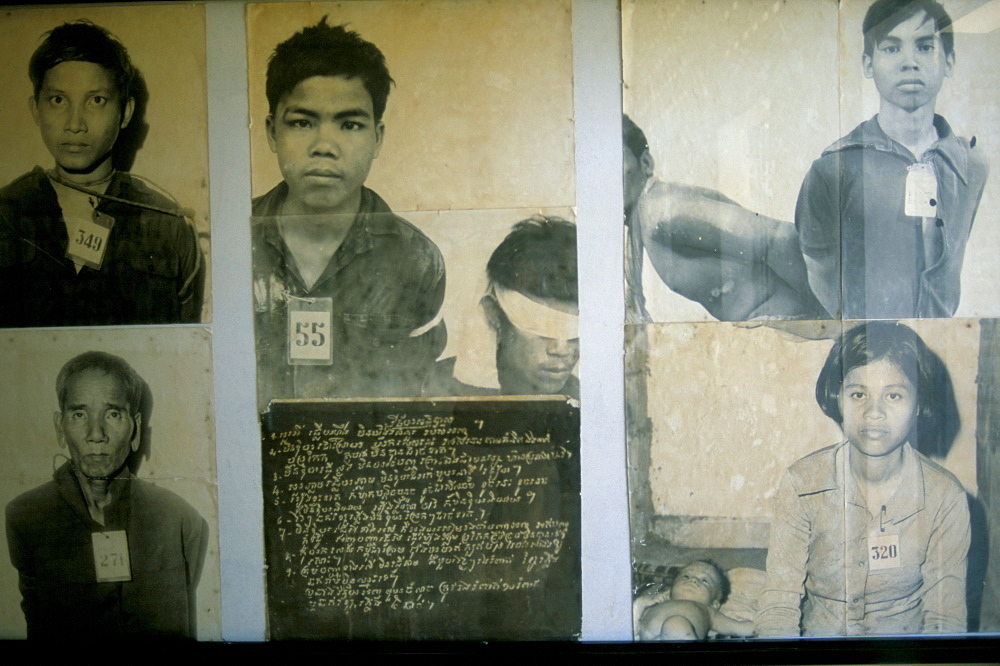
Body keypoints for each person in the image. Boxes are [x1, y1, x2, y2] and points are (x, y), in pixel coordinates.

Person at [252, 19, 446, 407]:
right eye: (302, 122)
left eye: (350, 124)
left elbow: (417, 402)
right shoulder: (227, 242)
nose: (325, 145)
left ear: (377, 137)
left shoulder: (416, 261)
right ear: (273, 132)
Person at [757, 321, 970, 636]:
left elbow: (945, 621)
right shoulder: (802, 484)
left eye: (894, 396)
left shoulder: (944, 496)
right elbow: (779, 607)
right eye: (858, 394)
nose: (874, 412)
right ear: (837, 398)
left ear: (919, 404)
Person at [0, 21, 205, 327]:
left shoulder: (168, 226)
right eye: (58, 100)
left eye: (96, 100)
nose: (75, 123)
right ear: (36, 110)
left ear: (125, 113)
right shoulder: (5, 215)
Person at [796, 0, 988, 319]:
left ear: (949, 61)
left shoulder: (971, 163)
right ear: (868, 64)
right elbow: (821, 281)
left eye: (925, 47)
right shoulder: (833, 169)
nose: (909, 62)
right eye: (891, 48)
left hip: (940, 346)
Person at [5, 352, 208, 638]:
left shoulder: (179, 520)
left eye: (112, 414)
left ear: (135, 428)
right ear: (60, 427)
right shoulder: (26, 516)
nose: (96, 433)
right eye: (79, 414)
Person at [623, 115, 823, 322]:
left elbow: (778, 238)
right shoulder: (647, 218)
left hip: (791, 329)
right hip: (767, 334)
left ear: (645, 162)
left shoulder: (660, 213)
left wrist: (830, 318)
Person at [424, 216, 579, 398]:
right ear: (494, 313)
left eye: (576, 330)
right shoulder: (428, 389)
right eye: (542, 326)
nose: (562, 350)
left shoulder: (586, 400)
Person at [634, 560, 754, 640]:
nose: (693, 580)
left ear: (715, 603)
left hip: (679, 635)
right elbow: (633, 622)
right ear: (671, 589)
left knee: (675, 625)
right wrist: (641, 603)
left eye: (704, 581)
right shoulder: (656, 603)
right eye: (686, 576)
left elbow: (738, 628)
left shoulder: (708, 611)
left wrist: (756, 626)